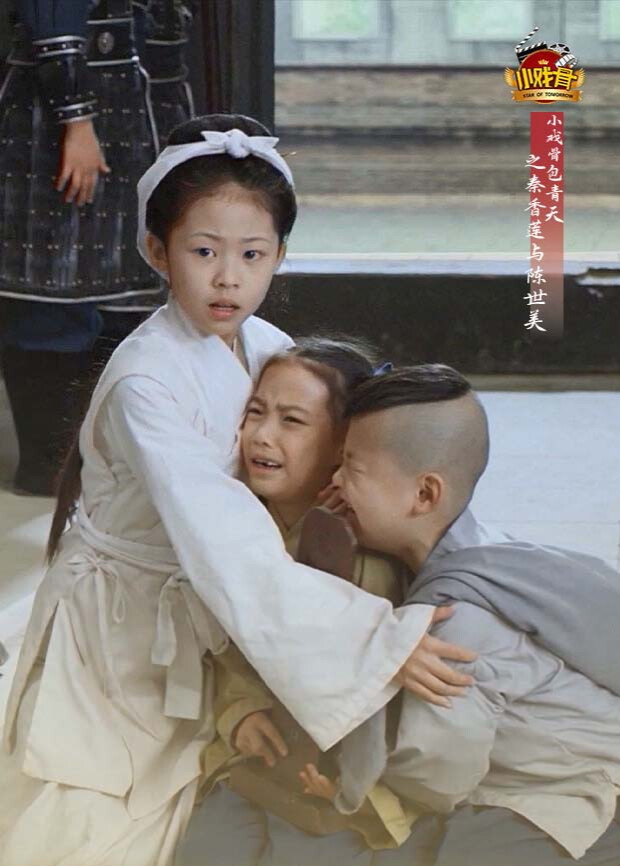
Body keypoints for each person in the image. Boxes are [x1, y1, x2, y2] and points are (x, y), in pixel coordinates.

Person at [0, 116, 472, 866]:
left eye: (252, 254)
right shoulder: (146, 382)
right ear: (157, 251)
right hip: (128, 622)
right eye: (203, 251)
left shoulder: (265, 345)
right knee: (94, 817)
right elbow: (224, 535)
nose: (228, 278)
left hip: (220, 602)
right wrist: (366, 640)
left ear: (279, 255)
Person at [292, 363, 620, 866]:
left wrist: (352, 785)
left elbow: (439, 767)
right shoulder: (487, 558)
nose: (334, 481)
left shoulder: (456, 615)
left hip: (572, 792)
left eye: (352, 469)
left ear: (425, 494)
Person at [177, 338, 427, 866]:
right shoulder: (233, 522)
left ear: (343, 445)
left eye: (292, 421)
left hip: (336, 779)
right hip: (254, 760)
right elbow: (226, 640)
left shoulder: (371, 551)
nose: (261, 436)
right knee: (205, 850)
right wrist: (240, 710)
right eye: (255, 412)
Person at [0, 0, 193, 494]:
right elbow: (50, 16)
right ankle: (50, 469)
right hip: (60, 125)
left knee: (126, 305)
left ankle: (106, 466)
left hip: (137, 120)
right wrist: (77, 121)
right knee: (50, 299)